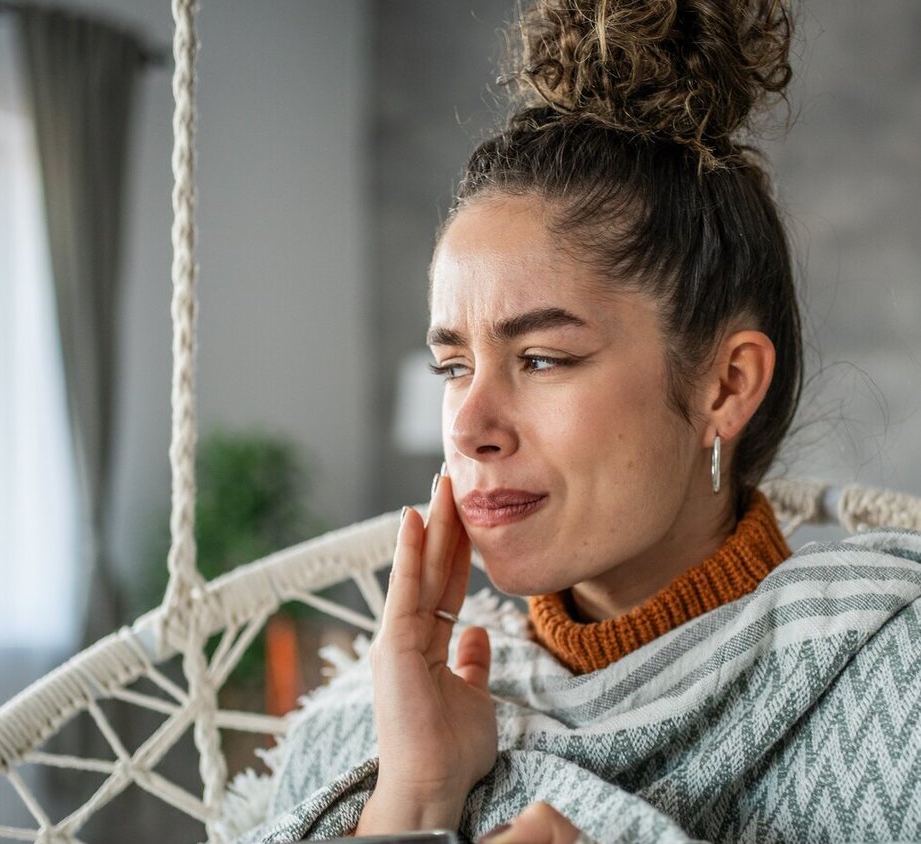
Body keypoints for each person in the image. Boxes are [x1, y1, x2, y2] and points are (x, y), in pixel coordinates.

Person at [228, 1, 921, 841]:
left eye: (543, 359)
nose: (469, 426)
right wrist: (413, 798)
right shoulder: (373, 730)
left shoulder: (895, 682)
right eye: (453, 366)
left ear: (727, 386)